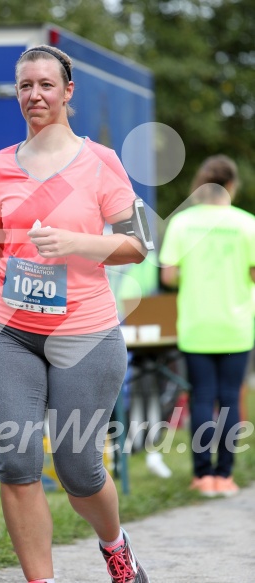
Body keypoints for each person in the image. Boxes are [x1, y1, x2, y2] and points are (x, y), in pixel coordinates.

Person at [0, 45, 151, 583]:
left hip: (85, 333)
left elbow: (137, 245)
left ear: (68, 93)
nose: (34, 95)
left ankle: (116, 547)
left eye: (46, 85)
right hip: (11, 331)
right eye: (25, 86)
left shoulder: (101, 163)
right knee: (17, 463)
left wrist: (76, 240)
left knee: (78, 469)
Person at [159, 154, 255, 497]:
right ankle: (225, 476)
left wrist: (194, 273)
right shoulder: (247, 223)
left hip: (197, 325)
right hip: (236, 326)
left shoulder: (183, 224)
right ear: (231, 185)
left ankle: (202, 477)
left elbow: (168, 276)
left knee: (201, 400)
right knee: (229, 399)